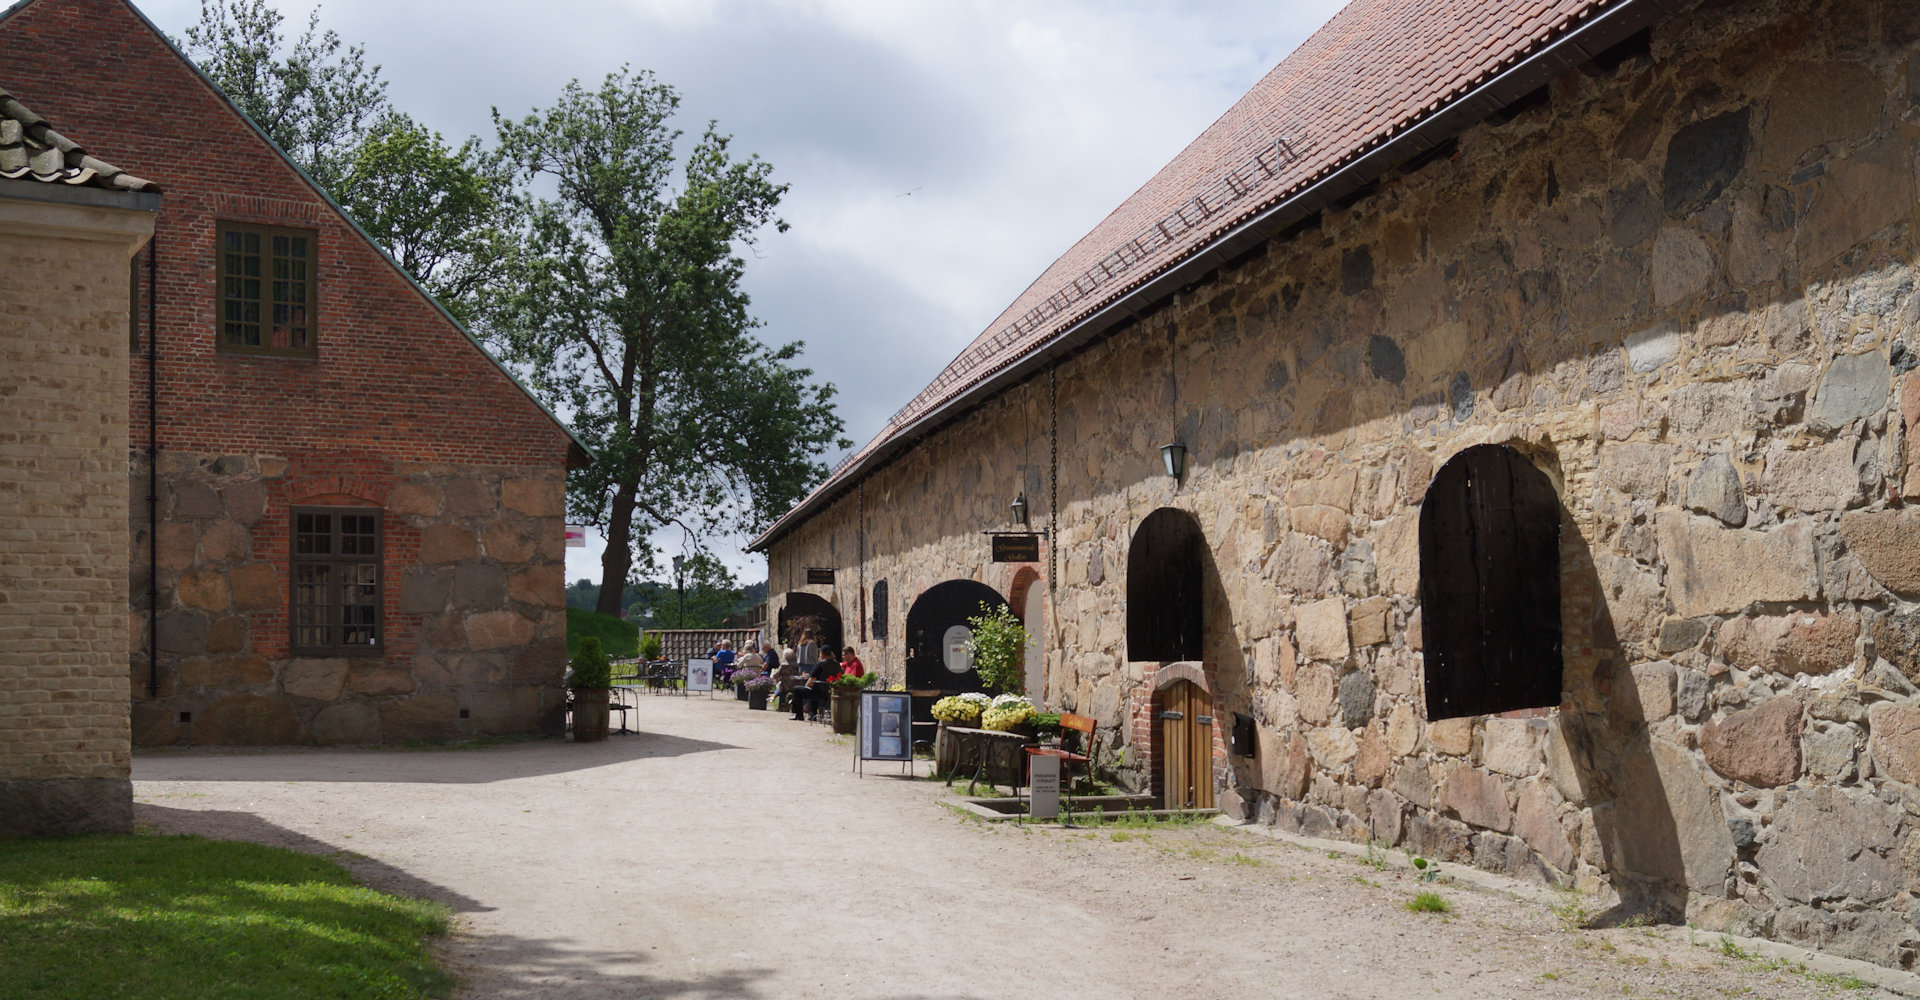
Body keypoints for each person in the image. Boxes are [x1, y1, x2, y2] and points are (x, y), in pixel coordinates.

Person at [789, 648, 841, 720]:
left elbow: (811, 680)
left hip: (818, 691)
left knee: (797, 689)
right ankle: (812, 714)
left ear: (821, 654)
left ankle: (799, 714)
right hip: (830, 691)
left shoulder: (821, 664)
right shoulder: (836, 664)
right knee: (813, 689)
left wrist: (806, 685)